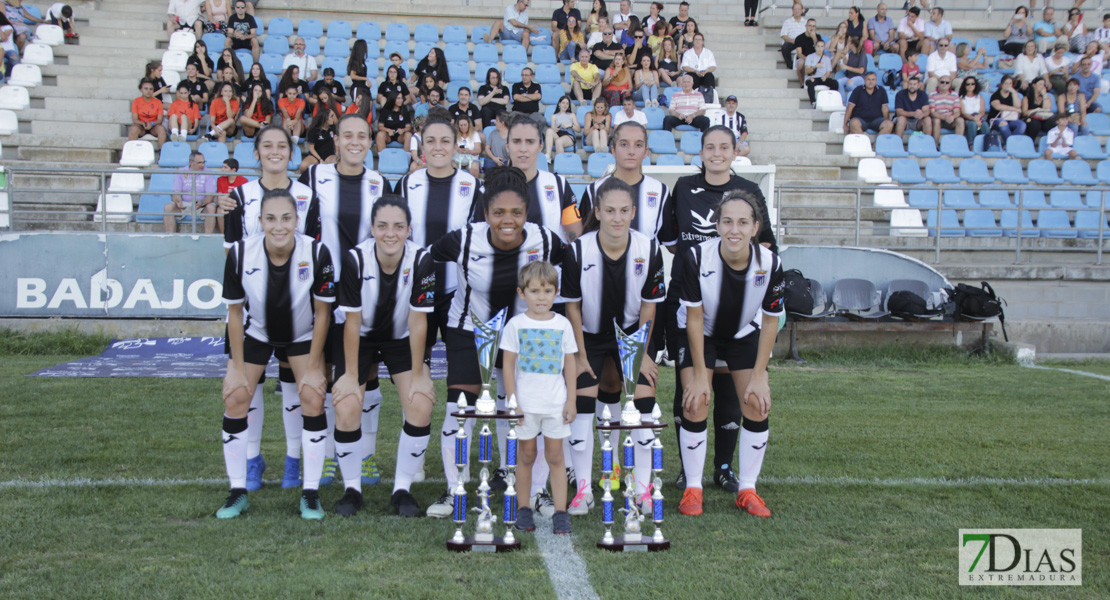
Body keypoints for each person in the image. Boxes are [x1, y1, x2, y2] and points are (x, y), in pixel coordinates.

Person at [424, 166, 567, 519]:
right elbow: (426, 259)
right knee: (462, 409)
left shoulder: (544, 240)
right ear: (485, 213)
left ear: (526, 213)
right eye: (499, 213)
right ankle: (455, 485)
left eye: (516, 213)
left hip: (524, 334)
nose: (508, 220)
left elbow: (571, 265)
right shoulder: (465, 239)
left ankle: (533, 490)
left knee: (524, 406)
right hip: (468, 330)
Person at [658, 125, 777, 498]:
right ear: (702, 151)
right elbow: (672, 240)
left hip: (737, 303)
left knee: (728, 388)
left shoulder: (750, 192)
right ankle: (688, 475)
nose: (716, 153)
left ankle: (725, 468)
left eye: (724, 147)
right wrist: (704, 267)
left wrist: (728, 267)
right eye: (710, 147)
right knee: (690, 388)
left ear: (733, 151)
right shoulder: (683, 187)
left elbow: (766, 243)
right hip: (690, 294)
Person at [215, 188, 335, 520]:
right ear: (259, 221)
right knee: (236, 397)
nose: (278, 226)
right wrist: (237, 368)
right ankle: (237, 491)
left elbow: (323, 313)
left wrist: (313, 367)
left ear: (297, 221)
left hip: (302, 334)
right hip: (257, 332)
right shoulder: (240, 253)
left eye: (286, 218)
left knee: (312, 396)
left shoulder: (316, 252)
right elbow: (236, 314)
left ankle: (310, 493)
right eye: (270, 219)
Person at [674, 183, 784, 519]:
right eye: (727, 222)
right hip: (699, 332)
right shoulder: (696, 257)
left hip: (741, 334)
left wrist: (760, 375)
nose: (734, 230)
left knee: (757, 402)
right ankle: (693, 488)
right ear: (717, 225)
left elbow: (770, 322)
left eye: (742, 223)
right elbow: (693, 319)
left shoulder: (770, 263)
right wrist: (698, 375)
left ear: (755, 228)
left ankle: (748, 489)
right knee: (695, 402)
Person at [299, 114, 391, 491]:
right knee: (320, 370)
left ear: (371, 141)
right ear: (335, 140)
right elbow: (294, 226)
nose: (355, 142)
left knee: (365, 373)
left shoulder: (380, 182)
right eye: (347, 135)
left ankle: (364, 454)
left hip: (367, 290)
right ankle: (322, 459)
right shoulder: (313, 177)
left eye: (363, 136)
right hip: (323, 290)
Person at [331, 195, 436, 517]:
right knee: (348, 404)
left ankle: (402, 490)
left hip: (401, 337)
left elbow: (418, 320)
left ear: (408, 229)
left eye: (398, 226)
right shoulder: (354, 260)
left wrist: (419, 373)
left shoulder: (421, 259)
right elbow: (351, 320)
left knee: (420, 403)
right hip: (358, 337)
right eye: (383, 226)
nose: (390, 233)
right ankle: (352, 489)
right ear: (373, 229)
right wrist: (350, 375)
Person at [499, 260, 578, 534]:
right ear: (522, 293)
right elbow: (508, 366)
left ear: (556, 293)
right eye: (534, 291)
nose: (541, 297)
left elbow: (570, 363)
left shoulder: (563, 325)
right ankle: (523, 509)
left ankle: (560, 512)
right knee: (527, 455)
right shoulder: (515, 325)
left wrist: (571, 400)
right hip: (526, 406)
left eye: (546, 291)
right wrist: (513, 401)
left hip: (555, 404)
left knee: (556, 456)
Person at [165, 151, 217, 233]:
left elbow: (210, 195)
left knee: (211, 208)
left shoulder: (208, 173)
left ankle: (208, 237)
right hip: (184, 204)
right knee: (168, 208)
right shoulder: (181, 172)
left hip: (202, 206)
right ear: (191, 162)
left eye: (203, 162)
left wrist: (202, 203)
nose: (202, 165)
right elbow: (176, 192)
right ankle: (170, 237)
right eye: (199, 163)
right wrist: (178, 201)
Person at [128, 79, 167, 148]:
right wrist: (144, 124)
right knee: (133, 129)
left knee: (161, 129)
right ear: (141, 90)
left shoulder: (158, 102)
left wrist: (151, 124)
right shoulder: (136, 101)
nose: (148, 91)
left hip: (154, 127)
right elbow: (135, 119)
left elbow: (159, 120)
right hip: (141, 126)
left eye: (151, 89)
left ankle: (162, 153)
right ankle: (132, 151)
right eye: (146, 89)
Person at [299, 108, 338, 173]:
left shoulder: (333, 128)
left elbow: (336, 143)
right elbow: (311, 148)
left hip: (329, 155)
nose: (332, 118)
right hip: (315, 155)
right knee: (303, 166)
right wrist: (320, 159)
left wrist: (337, 154)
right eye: (331, 116)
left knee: (338, 163)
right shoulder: (314, 130)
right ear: (325, 118)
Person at [928, 76, 963, 144]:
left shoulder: (955, 94)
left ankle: (957, 145)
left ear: (950, 84)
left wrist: (953, 117)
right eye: (942, 82)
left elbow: (957, 112)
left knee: (960, 120)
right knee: (936, 120)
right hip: (938, 118)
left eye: (947, 82)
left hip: (950, 119)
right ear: (938, 83)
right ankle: (935, 145)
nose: (944, 84)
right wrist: (944, 118)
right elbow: (932, 112)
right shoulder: (932, 94)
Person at [804, 39, 838, 107]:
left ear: (824, 47)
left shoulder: (827, 58)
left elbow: (828, 72)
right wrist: (815, 67)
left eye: (821, 46)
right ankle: (813, 102)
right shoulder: (810, 57)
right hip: (812, 77)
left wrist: (825, 77)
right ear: (815, 47)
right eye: (818, 46)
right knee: (810, 83)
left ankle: (830, 100)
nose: (820, 48)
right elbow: (806, 71)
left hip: (822, 78)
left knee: (835, 83)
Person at [547, 95, 582, 160]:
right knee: (549, 131)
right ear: (559, 104)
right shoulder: (554, 116)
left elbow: (579, 129)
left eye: (567, 103)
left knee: (559, 141)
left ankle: (560, 162)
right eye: (563, 103)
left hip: (568, 135)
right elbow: (552, 130)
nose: (565, 105)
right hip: (558, 134)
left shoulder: (572, 115)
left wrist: (570, 125)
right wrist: (555, 129)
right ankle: (548, 156)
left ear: (569, 105)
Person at [958, 76, 989, 147]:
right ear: (964, 85)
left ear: (975, 85)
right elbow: (963, 113)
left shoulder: (979, 97)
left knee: (985, 125)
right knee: (972, 124)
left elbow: (982, 111)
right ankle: (971, 144)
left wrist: (978, 117)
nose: (970, 86)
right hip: (968, 118)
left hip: (978, 117)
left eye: (972, 84)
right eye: (968, 84)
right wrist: (974, 119)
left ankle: (987, 144)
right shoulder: (961, 98)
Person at [792, 19, 819, 86]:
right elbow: (799, 53)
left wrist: (814, 39)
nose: (812, 28)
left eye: (813, 26)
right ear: (806, 26)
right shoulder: (799, 38)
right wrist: (808, 59)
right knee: (801, 63)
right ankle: (802, 83)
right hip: (804, 58)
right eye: (810, 26)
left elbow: (820, 50)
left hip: (816, 58)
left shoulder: (818, 37)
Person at [780, 3, 806, 68]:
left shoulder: (806, 22)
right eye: (795, 9)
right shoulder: (788, 22)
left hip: (803, 42)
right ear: (792, 10)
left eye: (799, 9)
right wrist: (793, 41)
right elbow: (783, 35)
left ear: (802, 10)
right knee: (785, 47)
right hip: (792, 42)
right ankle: (790, 65)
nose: (797, 11)